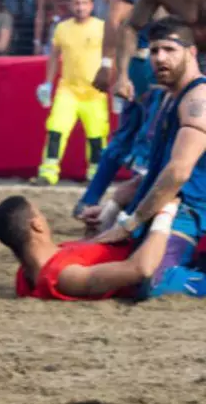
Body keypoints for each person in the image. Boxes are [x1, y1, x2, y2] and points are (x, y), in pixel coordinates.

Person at [83, 18, 206, 298]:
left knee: (153, 282)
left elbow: (178, 172)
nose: (159, 58)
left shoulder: (198, 99)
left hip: (190, 211)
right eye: (154, 51)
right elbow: (157, 172)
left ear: (191, 52)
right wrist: (111, 207)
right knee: (108, 262)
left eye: (169, 49)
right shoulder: (167, 98)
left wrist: (131, 222)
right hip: (169, 205)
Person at [81, 0, 176, 218]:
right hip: (144, 60)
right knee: (151, 129)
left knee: (132, 132)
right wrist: (108, 64)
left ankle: (93, 200)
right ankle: (126, 204)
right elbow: (116, 21)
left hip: (172, 57)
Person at [0, 194, 177, 300]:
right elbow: (141, 268)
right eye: (40, 214)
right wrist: (165, 213)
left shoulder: (28, 273)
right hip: (160, 259)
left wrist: (107, 214)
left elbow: (88, 255)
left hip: (142, 240)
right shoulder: (63, 277)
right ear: (36, 225)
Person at [35, 0, 107, 186]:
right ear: (70, 6)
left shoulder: (102, 27)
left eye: (84, 3)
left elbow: (112, 56)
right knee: (56, 129)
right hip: (68, 90)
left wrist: (116, 81)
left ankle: (95, 175)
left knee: (96, 134)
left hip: (95, 91)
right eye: (76, 3)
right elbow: (53, 56)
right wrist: (48, 83)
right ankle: (48, 173)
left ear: (91, 5)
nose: (80, 7)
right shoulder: (62, 28)